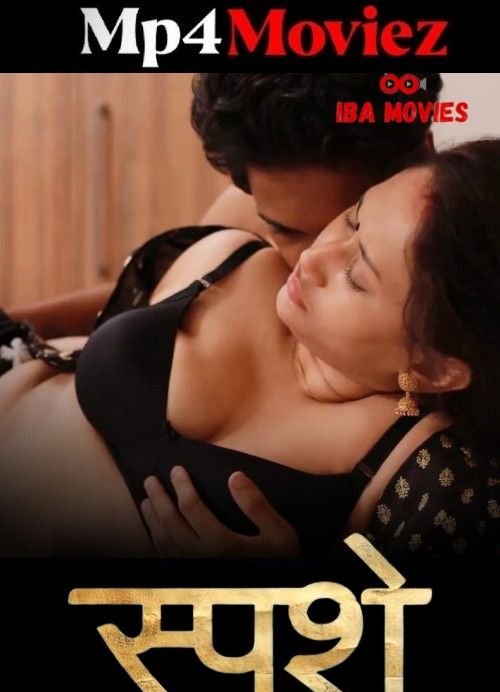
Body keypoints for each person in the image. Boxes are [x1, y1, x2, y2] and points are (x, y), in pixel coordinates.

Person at [0, 139, 498, 563]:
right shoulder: (243, 252)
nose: (315, 256)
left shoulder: (429, 476)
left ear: (434, 367)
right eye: (353, 220)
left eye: (357, 277)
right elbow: (99, 316)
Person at [7, 73, 442, 337]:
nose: (312, 261)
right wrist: (19, 323)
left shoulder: (455, 271)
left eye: (350, 224)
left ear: (423, 160)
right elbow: (165, 295)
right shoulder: (242, 217)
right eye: (287, 232)